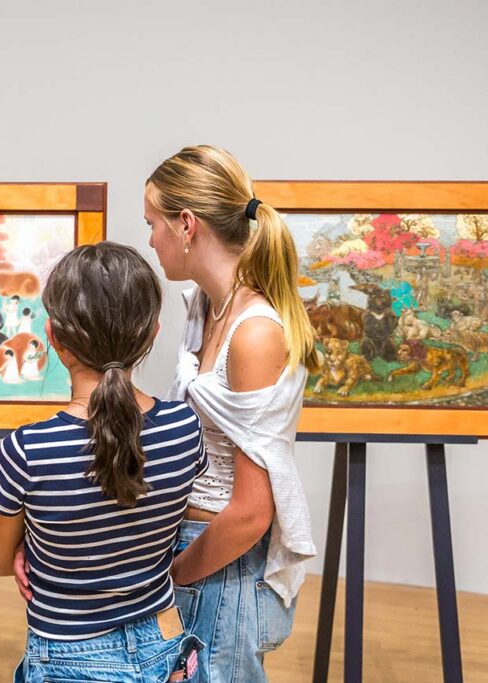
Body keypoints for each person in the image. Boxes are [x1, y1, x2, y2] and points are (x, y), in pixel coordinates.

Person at [0, 242, 207, 683]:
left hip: (67, 654)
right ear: (152, 334)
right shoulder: (185, 428)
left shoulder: (27, 450)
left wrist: (28, 548)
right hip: (166, 644)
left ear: (53, 337)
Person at [144, 145, 318, 681]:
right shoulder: (206, 306)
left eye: (153, 223)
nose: (150, 239)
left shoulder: (255, 333)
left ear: (187, 225)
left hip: (221, 561)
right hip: (197, 550)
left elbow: (250, 512)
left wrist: (173, 577)